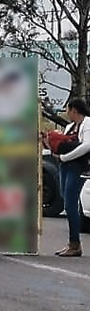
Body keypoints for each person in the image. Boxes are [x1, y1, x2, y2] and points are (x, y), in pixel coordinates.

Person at [51, 97, 89, 257]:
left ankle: (75, 243)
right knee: (65, 199)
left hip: (77, 166)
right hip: (65, 165)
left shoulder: (87, 123)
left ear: (74, 110)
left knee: (70, 204)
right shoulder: (69, 126)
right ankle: (72, 243)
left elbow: (87, 145)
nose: (67, 113)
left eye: (68, 109)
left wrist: (65, 157)